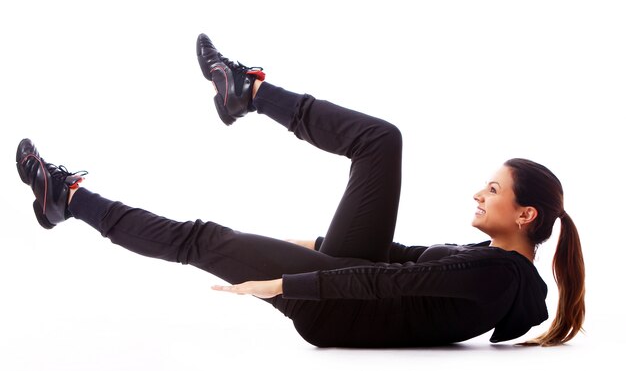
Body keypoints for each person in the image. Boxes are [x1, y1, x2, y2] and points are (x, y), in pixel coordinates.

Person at [15, 33, 585, 348]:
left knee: (202, 239)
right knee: (382, 140)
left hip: (339, 313)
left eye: (492, 189)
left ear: (525, 212)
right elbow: (400, 258)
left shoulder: (497, 274)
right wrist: (312, 243)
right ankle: (247, 92)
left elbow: (390, 283)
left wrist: (282, 283)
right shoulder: (491, 264)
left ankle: (64, 198)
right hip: (351, 287)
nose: (478, 194)